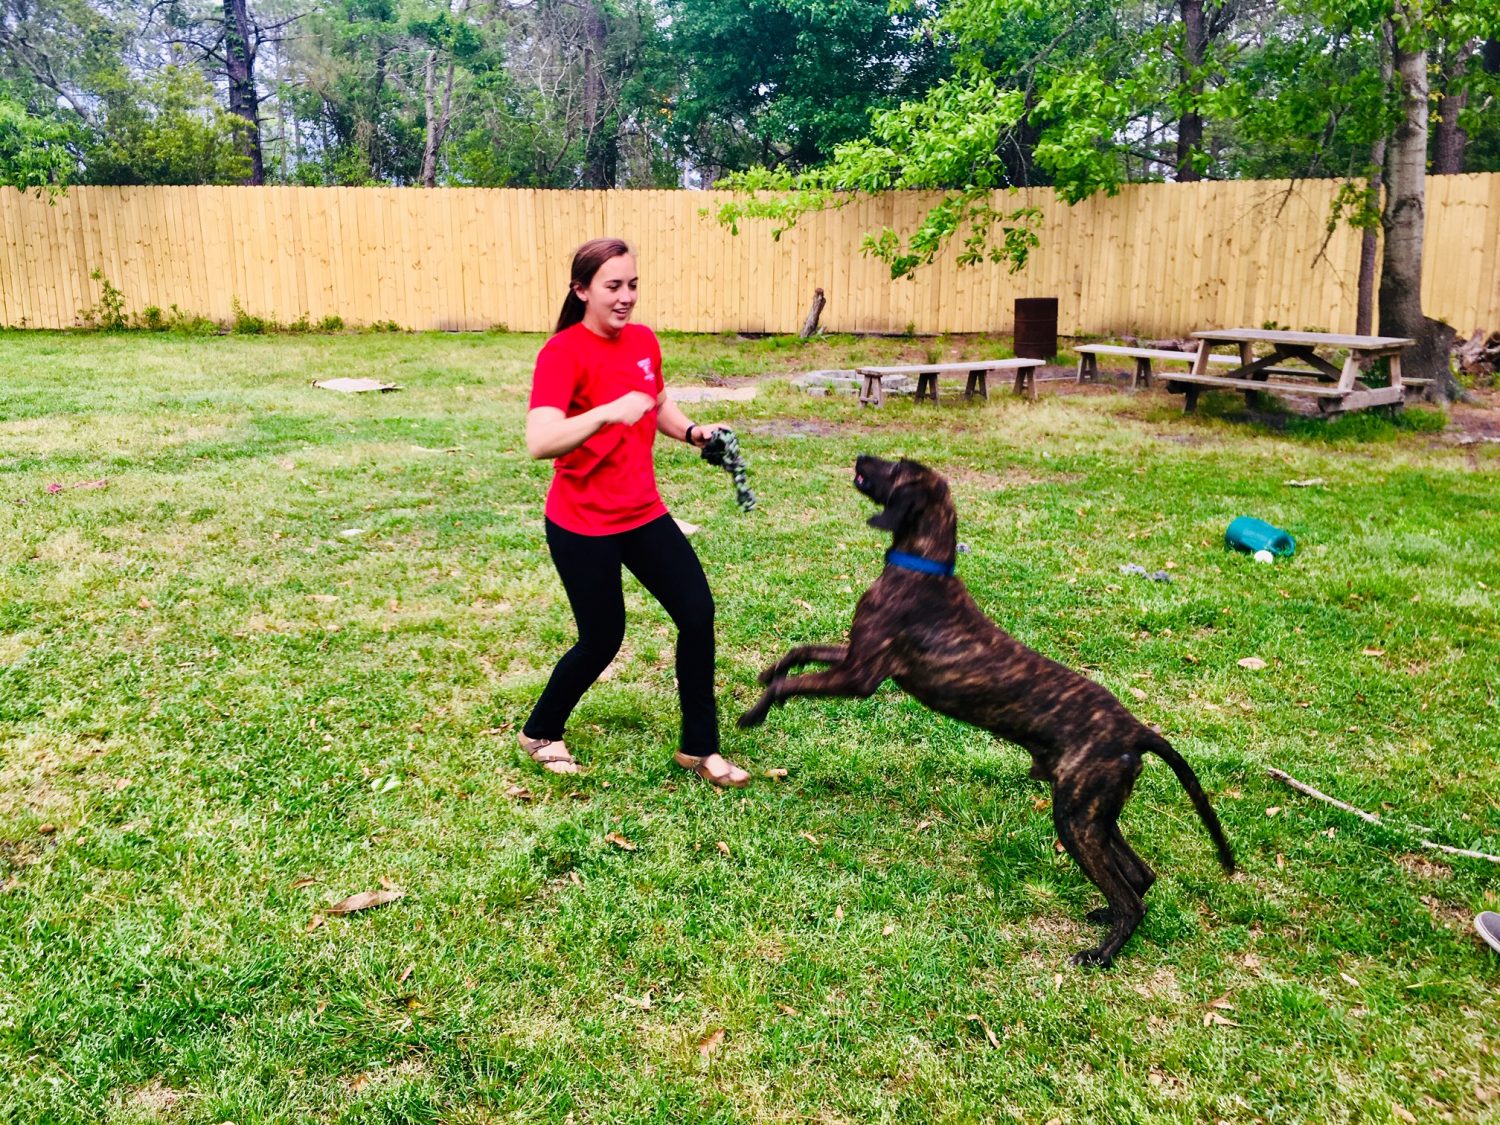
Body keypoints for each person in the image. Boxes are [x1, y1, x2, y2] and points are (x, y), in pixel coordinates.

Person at [517, 237, 750, 788]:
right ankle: (540, 731)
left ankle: (700, 748)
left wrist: (694, 432)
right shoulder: (562, 353)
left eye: (633, 285)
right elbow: (540, 440)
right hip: (582, 523)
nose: (626, 298)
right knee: (602, 637)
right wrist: (605, 414)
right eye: (613, 286)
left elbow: (657, 401)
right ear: (582, 290)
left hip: (643, 512)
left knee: (697, 613)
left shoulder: (643, 341)